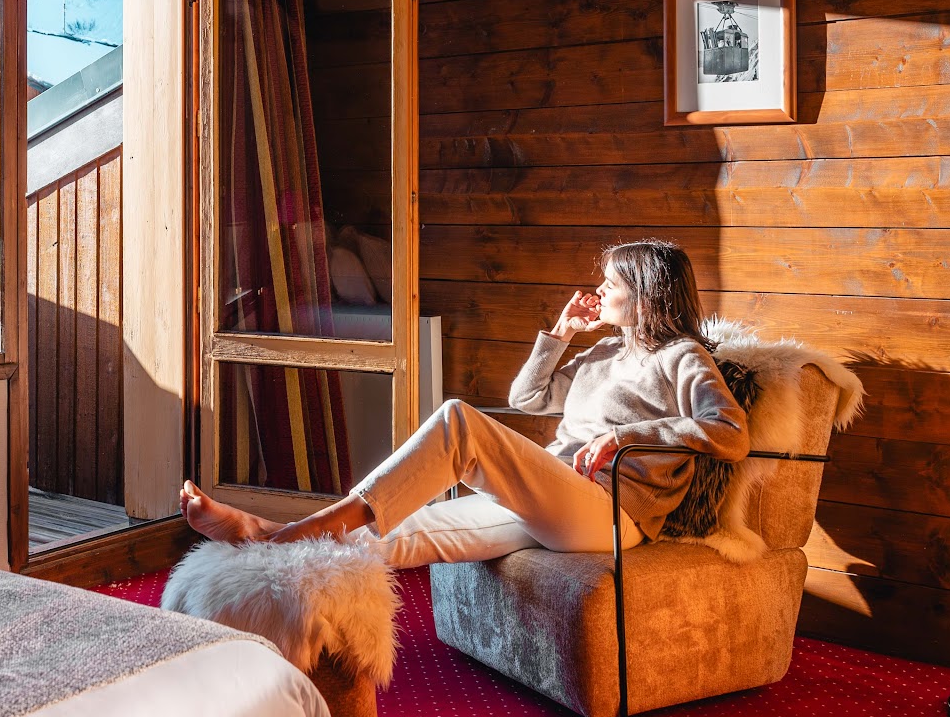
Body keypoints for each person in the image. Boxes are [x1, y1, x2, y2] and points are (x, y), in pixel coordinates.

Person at [179, 239, 748, 569]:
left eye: (612, 283)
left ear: (646, 294)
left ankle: (292, 531)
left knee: (458, 420)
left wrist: (623, 436)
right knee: (415, 529)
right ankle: (271, 538)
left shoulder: (682, 356)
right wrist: (561, 333)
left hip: (612, 513)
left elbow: (730, 431)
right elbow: (526, 397)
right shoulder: (602, 352)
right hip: (558, 493)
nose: (599, 291)